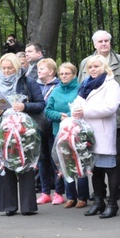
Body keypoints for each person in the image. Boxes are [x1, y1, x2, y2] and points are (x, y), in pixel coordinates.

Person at [0, 53, 45, 217]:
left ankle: (28, 206)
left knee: (25, 163)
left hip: (24, 130)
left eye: (10, 68)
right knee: (3, 162)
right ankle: (8, 205)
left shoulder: (28, 81)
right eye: (3, 68)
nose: (6, 71)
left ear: (17, 67)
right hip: (2, 129)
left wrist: (24, 107)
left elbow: (41, 104)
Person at [79, 30, 120, 203]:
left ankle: (115, 194)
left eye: (106, 41)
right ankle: (99, 196)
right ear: (94, 44)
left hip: (115, 121)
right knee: (94, 163)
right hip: (89, 126)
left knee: (114, 162)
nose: (103, 44)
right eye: (100, 41)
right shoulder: (86, 63)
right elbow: (81, 91)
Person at [71, 55, 120, 219]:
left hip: (103, 132)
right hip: (87, 133)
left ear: (104, 67)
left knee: (109, 169)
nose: (93, 69)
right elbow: (77, 104)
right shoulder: (85, 85)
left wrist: (85, 112)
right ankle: (98, 202)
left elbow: (110, 107)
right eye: (90, 67)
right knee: (95, 169)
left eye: (96, 66)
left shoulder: (111, 84)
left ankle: (112, 204)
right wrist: (75, 112)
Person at [45, 62, 89, 209]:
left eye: (67, 74)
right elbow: (48, 110)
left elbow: (83, 108)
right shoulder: (55, 91)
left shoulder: (81, 89)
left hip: (77, 131)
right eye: (61, 74)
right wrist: (59, 116)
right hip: (59, 132)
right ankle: (71, 197)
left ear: (74, 74)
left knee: (79, 164)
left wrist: (69, 116)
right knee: (64, 165)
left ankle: (83, 197)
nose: (64, 76)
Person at [34, 58, 64, 205]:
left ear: (51, 71)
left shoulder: (59, 85)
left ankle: (59, 192)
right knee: (42, 159)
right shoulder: (34, 85)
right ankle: (45, 192)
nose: (39, 71)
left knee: (56, 160)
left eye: (43, 69)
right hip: (38, 127)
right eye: (38, 68)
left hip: (54, 127)